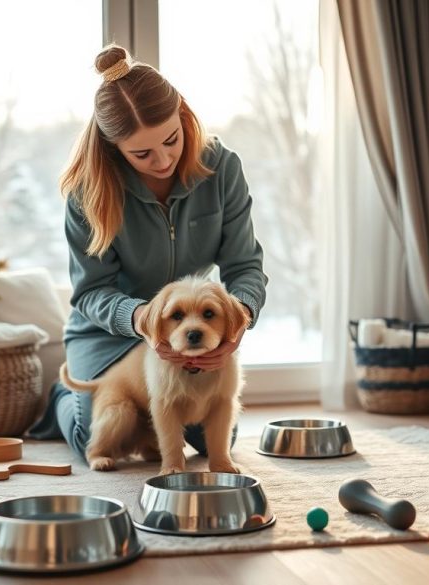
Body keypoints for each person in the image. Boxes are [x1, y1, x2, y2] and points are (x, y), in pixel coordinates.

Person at [27, 45, 267, 460]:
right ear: (113, 147)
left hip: (190, 327)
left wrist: (239, 316)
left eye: (171, 140)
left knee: (214, 441)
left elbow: (245, 267)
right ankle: (65, 398)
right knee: (98, 437)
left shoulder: (223, 167)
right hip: (109, 335)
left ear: (184, 116)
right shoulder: (88, 192)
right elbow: (90, 293)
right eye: (141, 154)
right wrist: (142, 319)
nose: (163, 160)